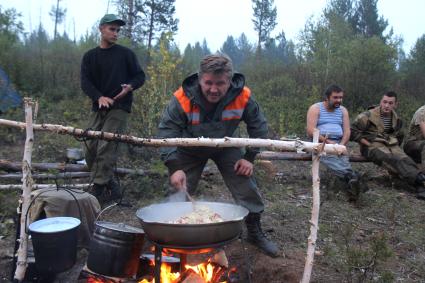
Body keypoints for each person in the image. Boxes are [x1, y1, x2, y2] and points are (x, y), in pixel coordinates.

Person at [158, 54, 279, 257]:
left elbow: (259, 126)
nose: (214, 89)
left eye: (220, 83)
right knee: (177, 190)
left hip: (226, 144)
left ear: (229, 81)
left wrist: (249, 158)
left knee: (245, 184)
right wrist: (174, 166)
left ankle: (254, 232)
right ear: (200, 79)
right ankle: (171, 236)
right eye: (208, 83)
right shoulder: (182, 97)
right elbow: (166, 132)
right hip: (191, 147)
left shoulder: (243, 95)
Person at [80, 14, 145, 202]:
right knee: (89, 145)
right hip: (99, 106)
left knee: (107, 144)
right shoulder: (90, 56)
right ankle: (110, 184)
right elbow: (85, 82)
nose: (115, 33)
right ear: (101, 29)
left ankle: (98, 189)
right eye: (112, 29)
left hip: (120, 106)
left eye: (118, 30)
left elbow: (139, 76)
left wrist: (129, 88)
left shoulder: (125, 54)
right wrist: (98, 97)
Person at [351, 91, 425, 199]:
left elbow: (399, 135)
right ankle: (420, 181)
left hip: (390, 144)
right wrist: (365, 143)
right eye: (384, 102)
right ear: (381, 102)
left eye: (390, 103)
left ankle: (420, 184)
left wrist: (396, 148)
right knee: (392, 159)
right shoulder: (368, 116)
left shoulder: (397, 119)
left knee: (405, 159)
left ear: (395, 105)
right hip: (372, 145)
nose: (387, 105)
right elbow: (352, 131)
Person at [306, 85, 364, 200]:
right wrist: (327, 142)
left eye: (341, 97)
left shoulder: (343, 110)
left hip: (338, 142)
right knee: (332, 159)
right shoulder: (315, 108)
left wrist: (341, 145)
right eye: (335, 97)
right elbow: (310, 130)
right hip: (320, 142)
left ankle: (351, 180)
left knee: (342, 159)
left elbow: (347, 131)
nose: (339, 100)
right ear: (327, 97)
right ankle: (352, 178)